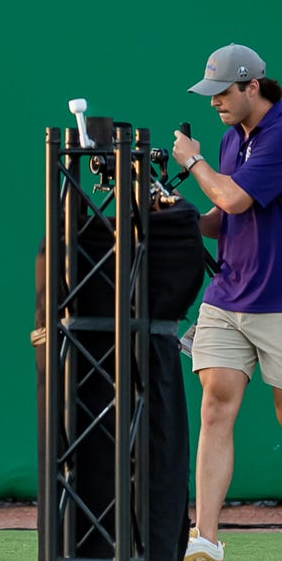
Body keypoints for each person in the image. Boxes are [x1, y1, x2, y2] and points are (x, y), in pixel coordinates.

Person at [173, 43, 282, 561]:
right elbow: (226, 217)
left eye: (222, 92)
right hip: (227, 298)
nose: (214, 101)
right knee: (215, 408)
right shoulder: (226, 139)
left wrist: (191, 162)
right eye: (209, 92)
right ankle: (205, 539)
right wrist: (175, 220)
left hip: (279, 302)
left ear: (251, 87)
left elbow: (234, 197)